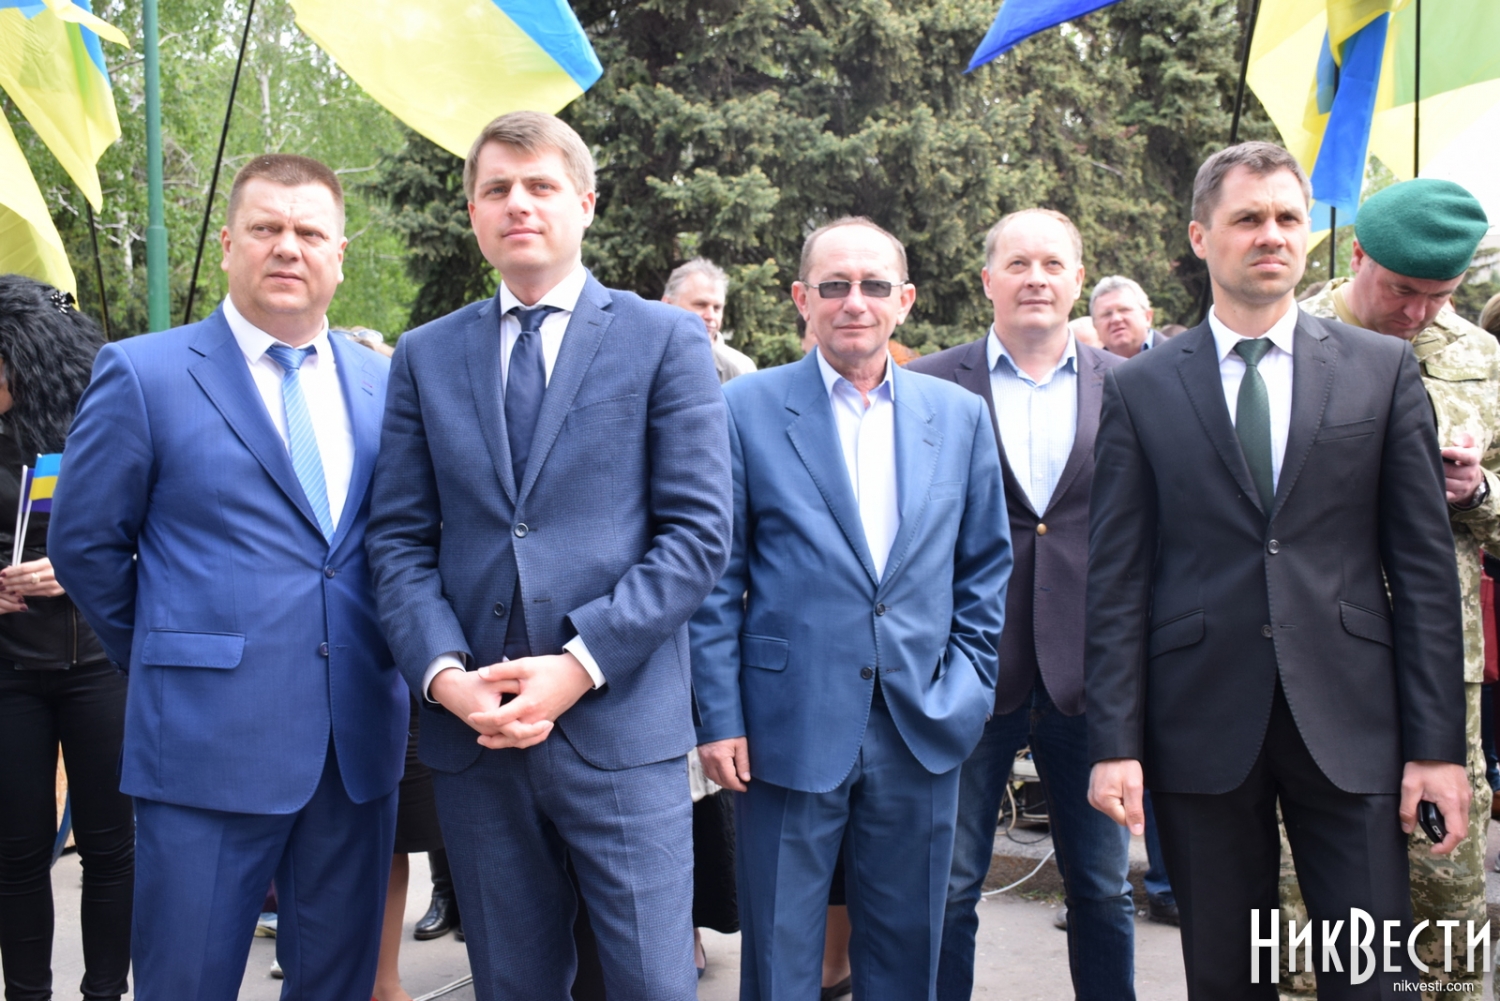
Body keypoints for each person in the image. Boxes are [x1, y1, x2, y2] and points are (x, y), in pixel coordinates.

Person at [1085, 141, 1469, 998]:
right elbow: (1116, 579)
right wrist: (1114, 744)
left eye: (1289, 217)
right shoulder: (1141, 388)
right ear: (1200, 236)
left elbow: (1422, 574)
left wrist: (1437, 748)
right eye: (1248, 217)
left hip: (1354, 720)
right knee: (1228, 975)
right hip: (1200, 722)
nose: (1272, 234)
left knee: (1371, 975)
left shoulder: (1381, 371)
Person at [364, 110, 732, 1001]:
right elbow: (399, 540)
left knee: (651, 982)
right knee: (512, 984)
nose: (518, 204)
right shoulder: (425, 356)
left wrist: (578, 664)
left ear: (586, 203)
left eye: (540, 185)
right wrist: (445, 676)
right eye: (497, 189)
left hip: (621, 726)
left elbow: (697, 535)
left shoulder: (664, 340)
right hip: (477, 735)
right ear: (474, 214)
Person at [49, 154, 408, 1001]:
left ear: (339, 253)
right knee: (186, 982)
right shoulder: (143, 373)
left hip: (354, 746)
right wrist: (172, 654)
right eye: (266, 227)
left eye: (309, 231)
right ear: (227, 244)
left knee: (338, 985)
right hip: (203, 745)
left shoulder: (386, 383)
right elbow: (84, 544)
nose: (288, 246)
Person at [691, 216, 1012, 999]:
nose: (854, 301)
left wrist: (967, 690)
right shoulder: (744, 408)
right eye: (833, 285)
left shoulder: (960, 416)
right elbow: (716, 579)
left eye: (873, 284)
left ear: (905, 300)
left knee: (907, 953)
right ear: (802, 300)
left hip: (920, 725)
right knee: (781, 956)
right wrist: (719, 716)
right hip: (783, 725)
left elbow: (984, 570)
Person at [909, 208, 1137, 1000]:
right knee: (948, 886)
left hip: (1092, 676)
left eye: (1052, 264)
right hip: (966, 670)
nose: (1035, 278)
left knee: (1102, 887)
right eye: (1017, 264)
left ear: (1077, 278)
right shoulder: (928, 384)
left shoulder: (1129, 385)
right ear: (987, 280)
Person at [1287, 177, 1495, 997]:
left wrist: (1479, 493)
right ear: (1356, 253)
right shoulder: (1284, 338)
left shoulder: (1482, 361)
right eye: (1402, 289)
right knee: (1304, 905)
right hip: (1311, 652)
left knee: (1444, 890)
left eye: (1440, 295)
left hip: (1440, 667)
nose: (1418, 312)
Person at [0, 278, 130, 1001]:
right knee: (16, 852)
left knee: (111, 845)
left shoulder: (99, 426)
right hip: (8, 668)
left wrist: (77, 568)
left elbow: (151, 532)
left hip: (97, 662)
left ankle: (105, 991)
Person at [662, 258, 757, 383]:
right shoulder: (643, 358)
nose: (711, 316)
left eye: (717, 308)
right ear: (668, 304)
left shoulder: (741, 370)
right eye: (700, 305)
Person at [1089, 275, 1160, 358]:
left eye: (1124, 310)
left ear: (1147, 317)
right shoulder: (1088, 365)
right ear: (1096, 328)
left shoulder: (1173, 353)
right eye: (1106, 314)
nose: (1116, 319)